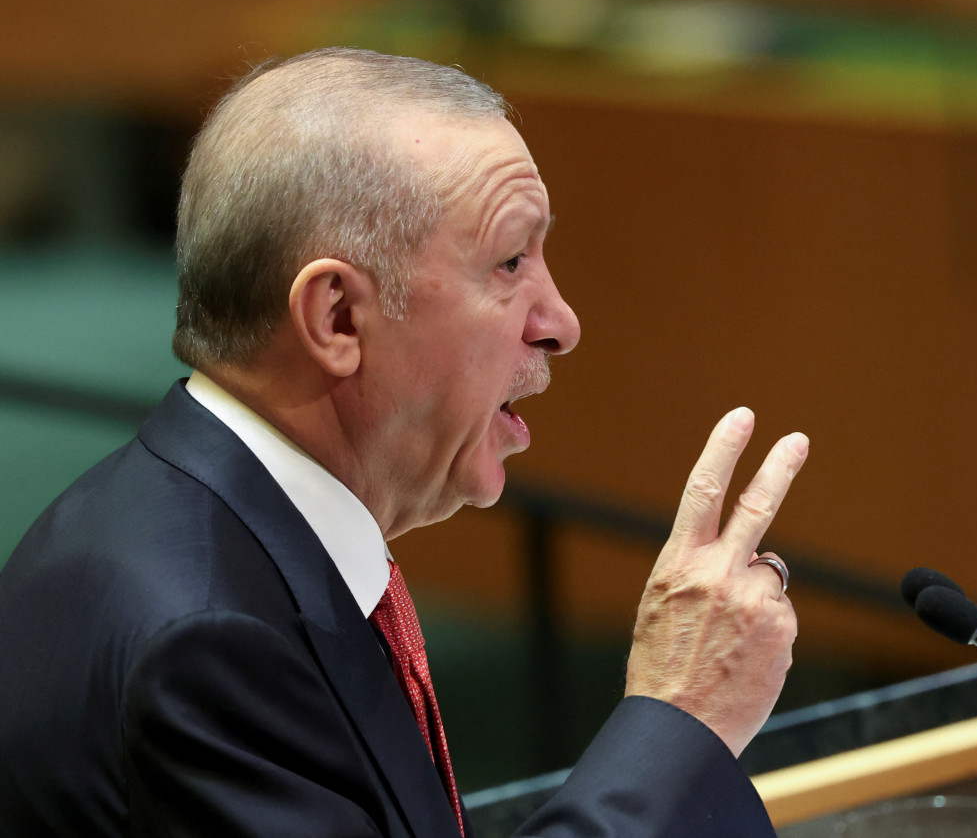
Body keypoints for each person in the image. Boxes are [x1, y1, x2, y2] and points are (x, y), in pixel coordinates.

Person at [0, 47, 807, 837]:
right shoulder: (210, 645)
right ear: (337, 318)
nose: (560, 323)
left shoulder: (186, 523)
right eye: (509, 261)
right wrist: (678, 718)